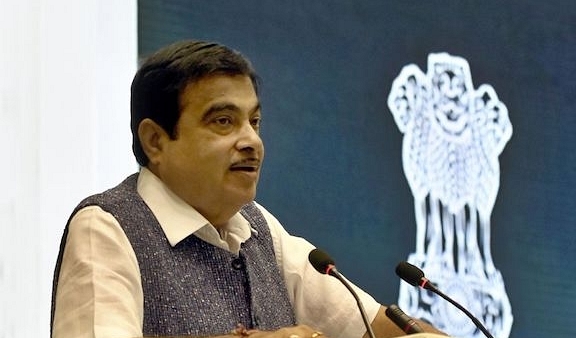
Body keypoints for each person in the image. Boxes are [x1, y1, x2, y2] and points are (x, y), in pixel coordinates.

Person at [51, 40, 444, 338]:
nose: (251, 141)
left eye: (254, 122)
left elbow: (373, 325)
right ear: (155, 140)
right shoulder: (106, 228)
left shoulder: (257, 228)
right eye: (223, 121)